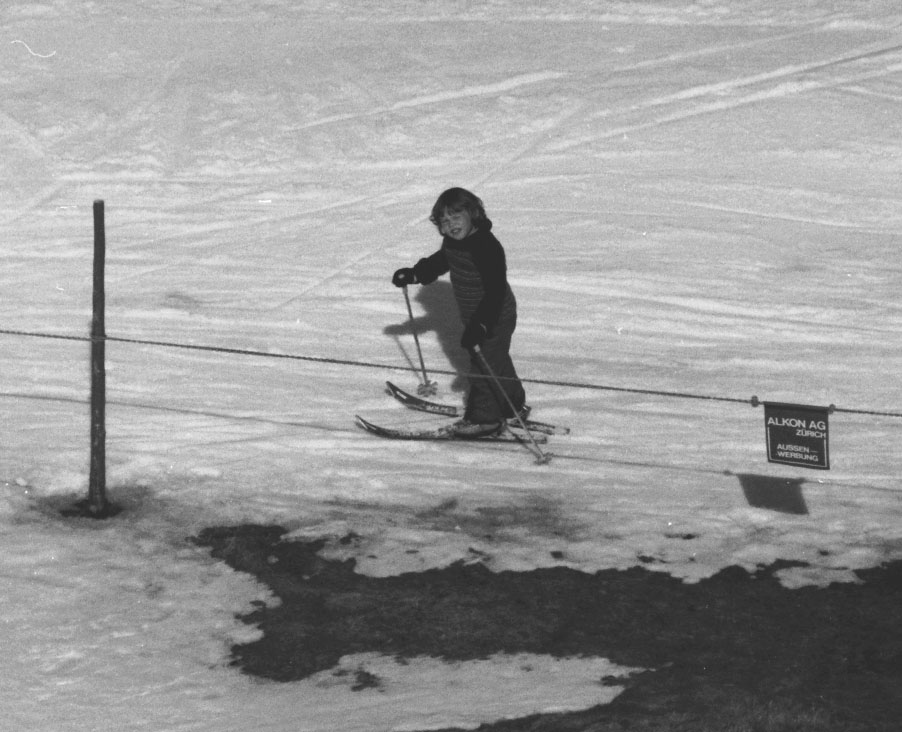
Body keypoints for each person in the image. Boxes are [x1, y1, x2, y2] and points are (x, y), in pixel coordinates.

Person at [392, 187, 527, 436]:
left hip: (495, 316)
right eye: (444, 221)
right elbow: (441, 261)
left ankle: (486, 419)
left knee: (483, 367)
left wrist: (482, 324)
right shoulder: (454, 244)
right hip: (477, 318)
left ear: (473, 214)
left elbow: (495, 291)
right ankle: (512, 404)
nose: (450, 225)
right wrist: (415, 274)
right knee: (496, 361)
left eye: (455, 217)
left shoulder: (486, 246)